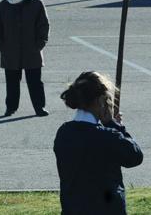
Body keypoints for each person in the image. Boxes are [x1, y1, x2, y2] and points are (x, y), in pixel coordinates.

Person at [54, 71, 143, 215]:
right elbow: (135, 156)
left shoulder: (64, 133)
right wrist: (113, 125)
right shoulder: (107, 136)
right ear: (100, 101)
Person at [0, 0, 50, 117]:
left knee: (35, 82)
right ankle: (10, 108)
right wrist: (1, 46)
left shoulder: (36, 4)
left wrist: (40, 44)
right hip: (10, 52)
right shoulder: (4, 5)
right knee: (12, 83)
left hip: (32, 51)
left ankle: (39, 108)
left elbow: (44, 25)